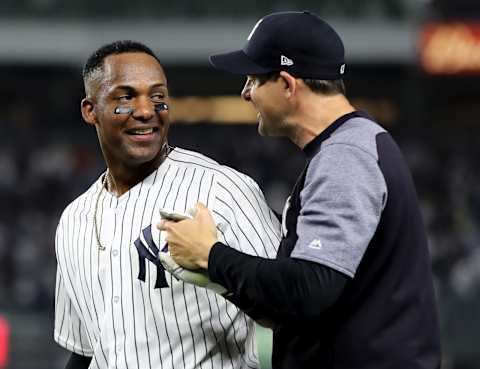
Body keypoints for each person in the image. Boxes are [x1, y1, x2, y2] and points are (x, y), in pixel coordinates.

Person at [159, 11, 442, 369]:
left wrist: (211, 256)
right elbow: (299, 307)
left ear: (289, 85)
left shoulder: (346, 155)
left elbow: (309, 290)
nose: (245, 93)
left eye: (253, 79)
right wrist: (222, 277)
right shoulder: (349, 147)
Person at [53, 40, 281, 369]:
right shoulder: (73, 220)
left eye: (158, 97)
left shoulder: (223, 190)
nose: (146, 110)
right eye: (126, 97)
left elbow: (294, 307)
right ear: (91, 110)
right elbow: (87, 350)